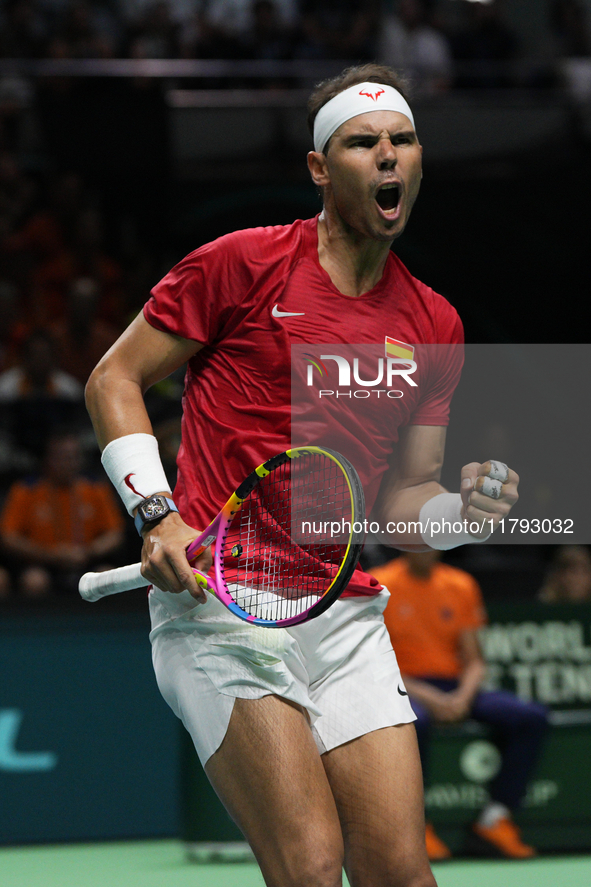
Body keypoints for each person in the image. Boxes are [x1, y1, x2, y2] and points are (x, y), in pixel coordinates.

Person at [84, 63, 520, 887]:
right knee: (311, 866)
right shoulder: (240, 265)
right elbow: (113, 378)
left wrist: (464, 513)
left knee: (400, 873)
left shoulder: (433, 322)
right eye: (362, 143)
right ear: (322, 168)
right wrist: (156, 512)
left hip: (340, 609)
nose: (387, 157)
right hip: (219, 605)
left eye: (402, 140)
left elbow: (404, 500)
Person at [371, 550, 548, 861]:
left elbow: (475, 661)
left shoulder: (461, 584)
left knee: (530, 717)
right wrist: (433, 699)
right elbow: (376, 662)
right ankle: (415, 826)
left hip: (455, 686)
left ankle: (494, 820)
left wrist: (461, 698)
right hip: (402, 685)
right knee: (414, 720)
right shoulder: (381, 584)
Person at [0, 429, 124, 598]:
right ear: (47, 459)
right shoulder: (26, 490)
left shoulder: (96, 489)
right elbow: (9, 538)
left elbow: (115, 534)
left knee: (108, 576)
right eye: (61, 457)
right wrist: (50, 554)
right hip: (40, 564)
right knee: (34, 580)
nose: (68, 463)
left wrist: (88, 551)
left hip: (86, 561)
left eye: (73, 457)